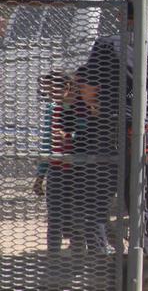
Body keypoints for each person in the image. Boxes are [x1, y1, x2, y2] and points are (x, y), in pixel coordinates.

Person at [76, 0, 148, 255]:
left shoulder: (104, 45)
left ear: (122, 17)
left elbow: (88, 93)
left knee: (97, 200)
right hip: (146, 135)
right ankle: (142, 258)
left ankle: (102, 258)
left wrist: (99, 110)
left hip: (107, 131)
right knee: (142, 201)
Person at [34, 71, 80, 252]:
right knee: (54, 216)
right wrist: (40, 176)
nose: (49, 95)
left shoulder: (78, 108)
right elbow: (47, 142)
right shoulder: (52, 110)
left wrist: (68, 136)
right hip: (56, 167)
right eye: (47, 91)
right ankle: (53, 254)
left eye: (52, 90)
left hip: (77, 170)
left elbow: (87, 135)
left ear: (67, 87)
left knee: (75, 214)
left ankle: (76, 249)